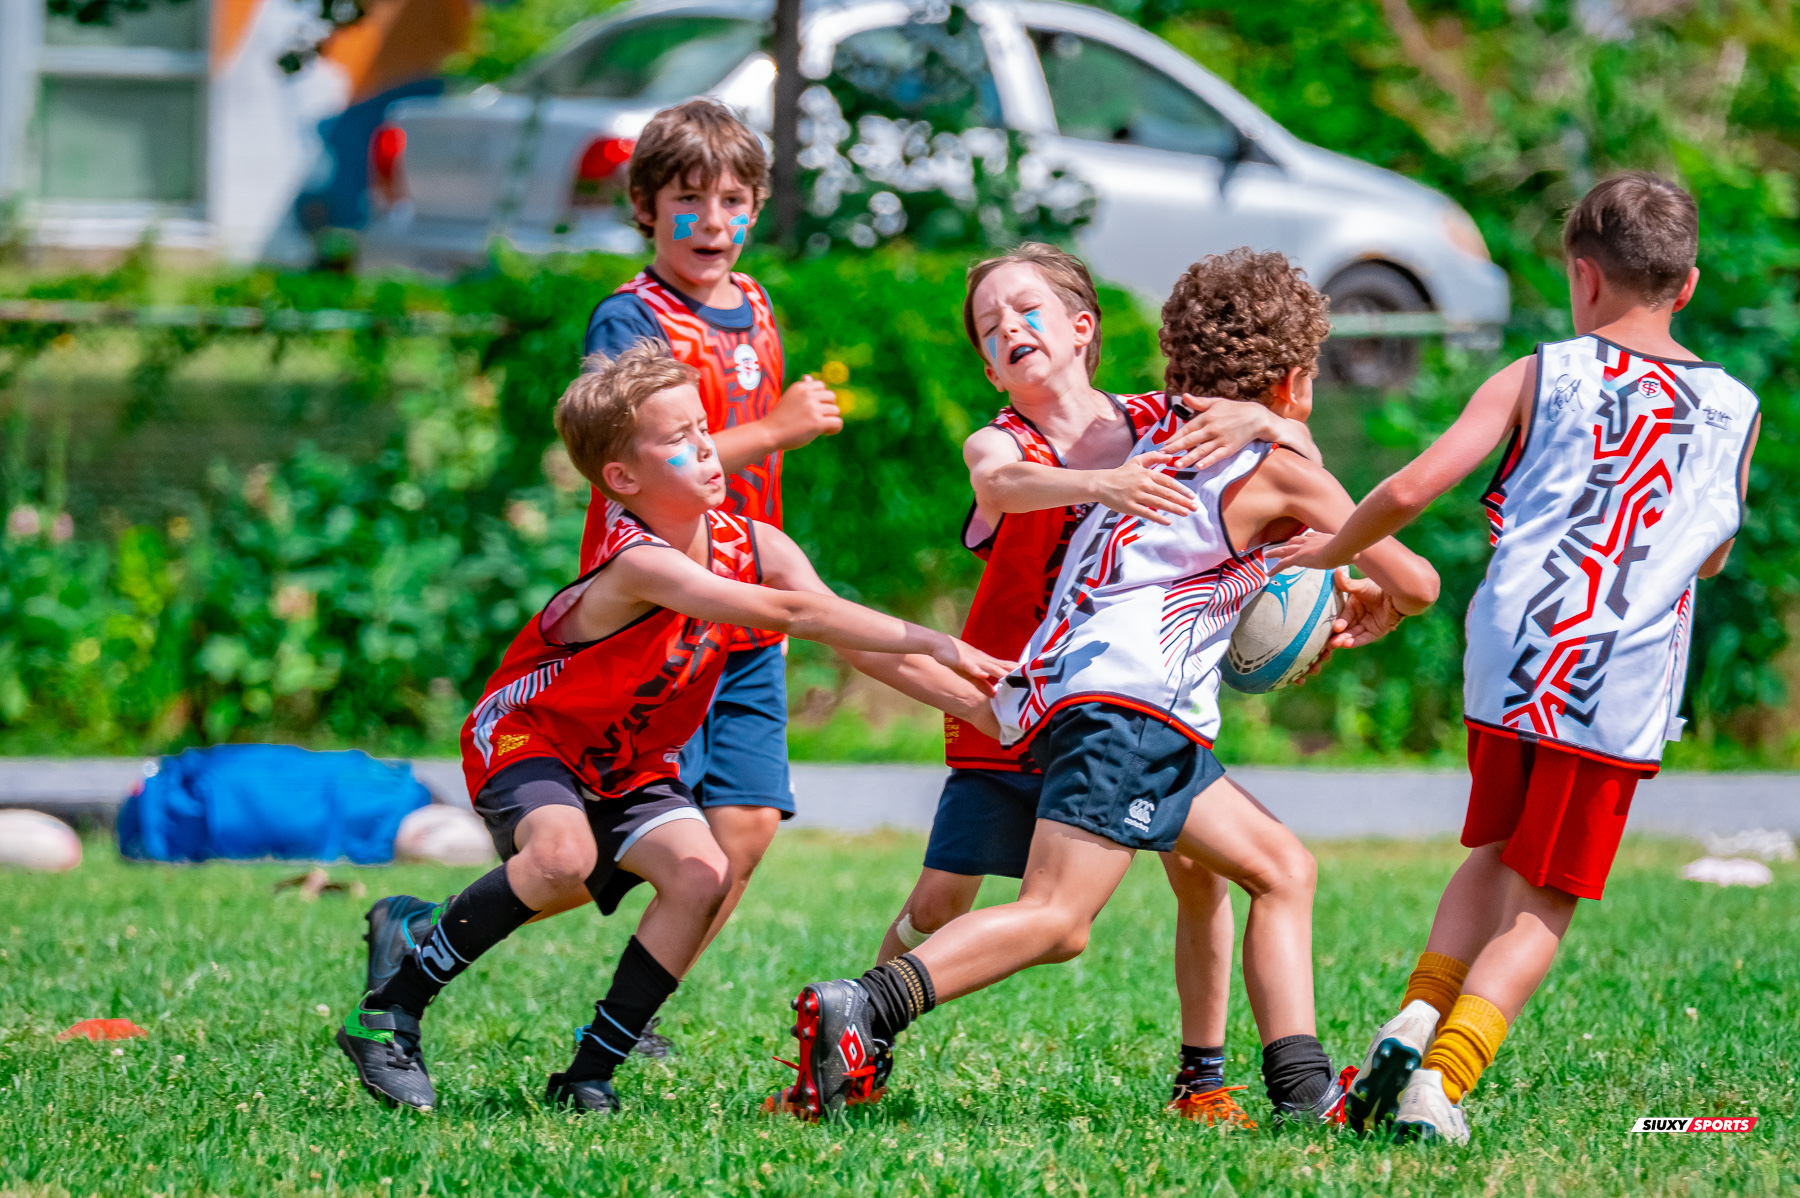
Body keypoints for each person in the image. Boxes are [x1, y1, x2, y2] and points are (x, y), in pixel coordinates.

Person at [777, 249, 1439, 1124]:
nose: (1010, 331)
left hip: (1091, 696)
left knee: (1281, 868)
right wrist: (1375, 590)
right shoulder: (1267, 460)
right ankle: (866, 1005)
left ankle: (1301, 1091)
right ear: (1295, 377)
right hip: (1125, 705)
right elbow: (1420, 581)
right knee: (1055, 919)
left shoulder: (1160, 427)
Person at [336, 344, 1011, 1115]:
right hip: (533, 739)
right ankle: (389, 1012)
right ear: (622, 479)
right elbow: (792, 615)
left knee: (702, 875)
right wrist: (936, 636)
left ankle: (588, 1074)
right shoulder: (640, 562)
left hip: (629, 761)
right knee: (562, 857)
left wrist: (987, 712)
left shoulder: (757, 544)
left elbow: (853, 643)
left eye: (703, 429)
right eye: (680, 441)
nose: (706, 451)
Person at [1274, 173, 1761, 1143]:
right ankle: (1440, 1087)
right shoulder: (1733, 407)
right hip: (1614, 684)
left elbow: (1414, 485)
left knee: (1490, 854)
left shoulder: (1540, 372)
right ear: (1690, 284)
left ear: (1582, 278)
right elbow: (1713, 550)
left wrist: (1327, 550)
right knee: (1544, 901)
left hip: (1512, 660)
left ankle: (1413, 1018)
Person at [360, 98, 841, 1031]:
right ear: (646, 207)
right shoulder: (631, 319)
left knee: (742, 829)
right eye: (688, 199)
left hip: (744, 611)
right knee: (611, 848)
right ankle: (431, 936)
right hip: (659, 620)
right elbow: (637, 455)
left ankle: (631, 1014)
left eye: (734, 199)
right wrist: (776, 429)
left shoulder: (758, 304)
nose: (712, 219)